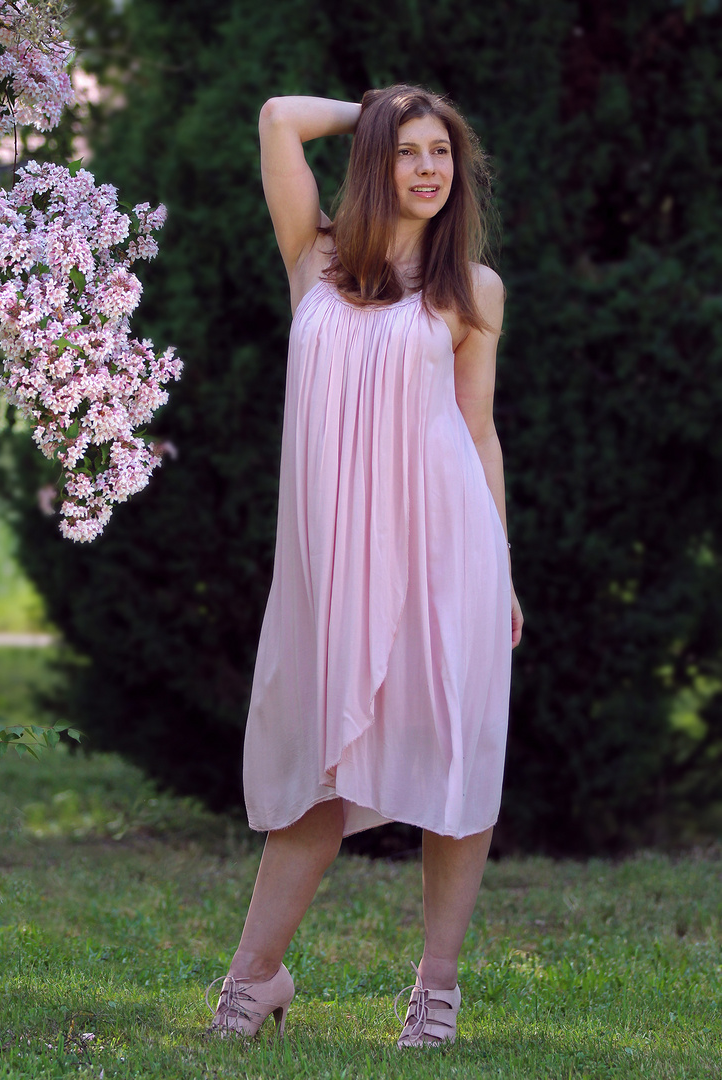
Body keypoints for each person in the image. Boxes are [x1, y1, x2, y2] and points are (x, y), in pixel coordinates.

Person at [205, 85, 524, 1047]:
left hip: (446, 549)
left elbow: (477, 431)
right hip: (333, 565)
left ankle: (436, 992)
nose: (430, 169)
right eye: (408, 150)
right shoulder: (316, 254)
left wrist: (501, 566)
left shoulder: (473, 287)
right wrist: (376, 106)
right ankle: (254, 981)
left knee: (454, 765)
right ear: (376, 158)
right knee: (318, 767)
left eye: (443, 154)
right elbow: (273, 117)